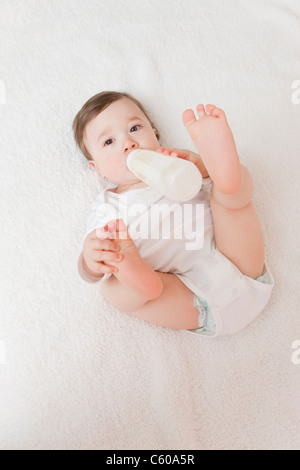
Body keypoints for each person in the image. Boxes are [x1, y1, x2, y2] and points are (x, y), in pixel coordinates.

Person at [73, 91, 274, 336]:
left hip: (237, 260)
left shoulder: (179, 165)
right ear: (97, 168)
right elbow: (92, 265)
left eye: (135, 128)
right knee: (112, 287)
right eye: (109, 142)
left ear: (155, 133)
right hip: (190, 299)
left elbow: (211, 187)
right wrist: (91, 260)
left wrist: (201, 166)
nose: (128, 143)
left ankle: (220, 163)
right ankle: (136, 278)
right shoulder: (108, 206)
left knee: (229, 198)